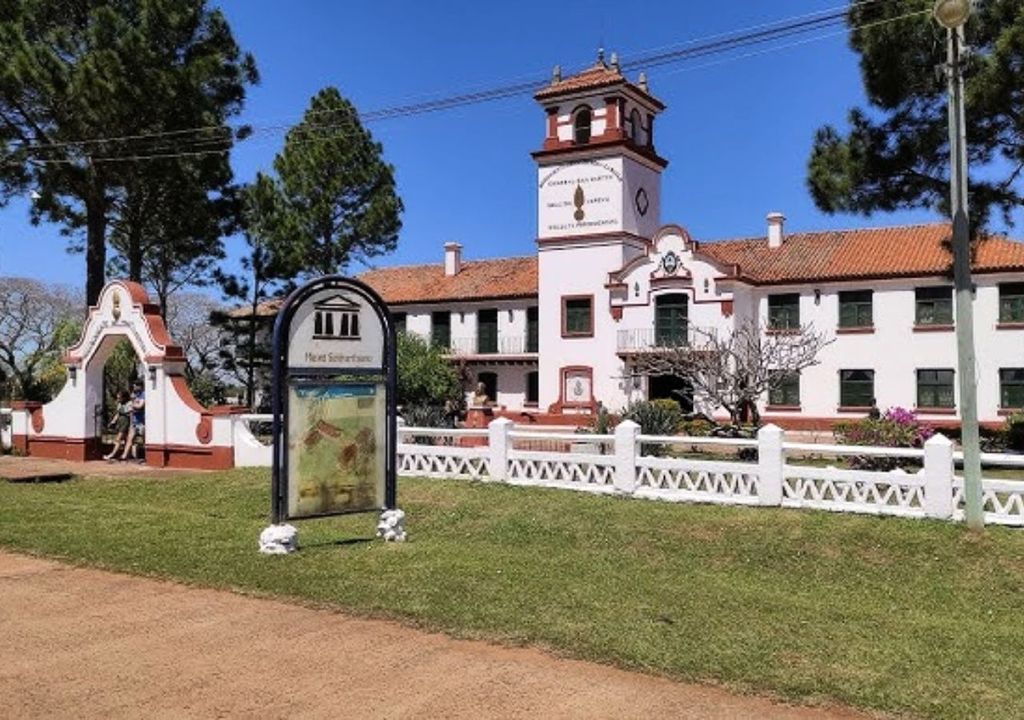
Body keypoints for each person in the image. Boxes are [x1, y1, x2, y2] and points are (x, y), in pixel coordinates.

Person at [103, 391, 132, 461]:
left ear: (124, 397)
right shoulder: (119, 404)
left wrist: (131, 425)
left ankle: (112, 455)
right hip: (120, 423)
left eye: (120, 398)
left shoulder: (130, 404)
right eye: (118, 398)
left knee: (118, 439)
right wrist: (113, 421)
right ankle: (127, 455)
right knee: (125, 439)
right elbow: (118, 413)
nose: (118, 399)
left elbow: (131, 414)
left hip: (126, 423)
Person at [122, 380, 145, 462]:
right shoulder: (135, 395)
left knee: (144, 440)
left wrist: (132, 405)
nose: (134, 387)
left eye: (135, 385)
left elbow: (140, 406)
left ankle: (146, 456)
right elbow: (133, 405)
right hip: (134, 421)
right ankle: (124, 456)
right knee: (129, 439)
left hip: (142, 421)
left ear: (140, 386)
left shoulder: (144, 394)